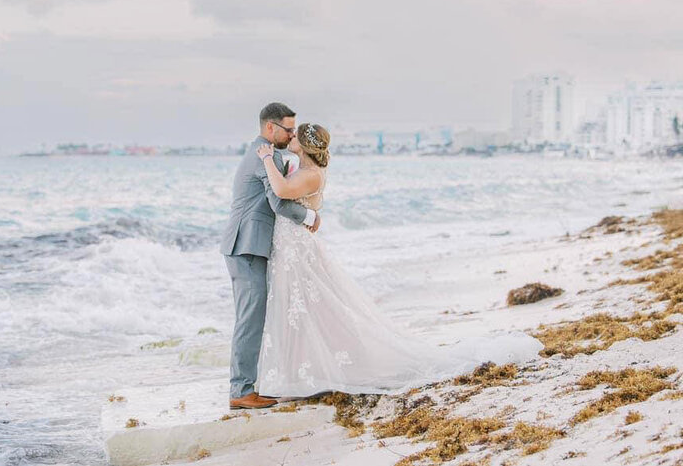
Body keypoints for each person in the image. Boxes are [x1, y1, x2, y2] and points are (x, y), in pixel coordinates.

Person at [254, 123, 544, 397]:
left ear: (303, 145)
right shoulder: (302, 167)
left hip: (297, 248)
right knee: (301, 307)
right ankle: (299, 370)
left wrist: (267, 158)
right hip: (291, 246)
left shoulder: (312, 173)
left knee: (309, 306)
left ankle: (316, 370)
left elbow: (281, 190)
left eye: (294, 137)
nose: (289, 138)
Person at [220, 102, 320, 410]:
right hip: (247, 245)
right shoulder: (266, 155)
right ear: (270, 128)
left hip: (246, 244)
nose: (292, 135)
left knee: (252, 316)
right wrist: (309, 216)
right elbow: (279, 203)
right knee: (250, 318)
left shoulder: (261, 152)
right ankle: (241, 390)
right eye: (288, 129)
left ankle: (248, 384)